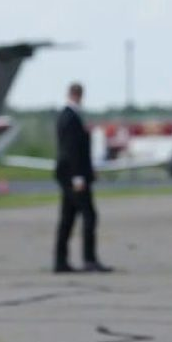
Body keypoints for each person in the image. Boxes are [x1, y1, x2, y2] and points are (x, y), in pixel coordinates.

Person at [53, 82, 111, 273]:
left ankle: (60, 261)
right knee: (89, 215)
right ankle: (89, 259)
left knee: (68, 218)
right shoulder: (71, 118)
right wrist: (78, 177)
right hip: (73, 175)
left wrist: (89, 170)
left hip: (69, 174)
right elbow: (72, 150)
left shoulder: (68, 116)